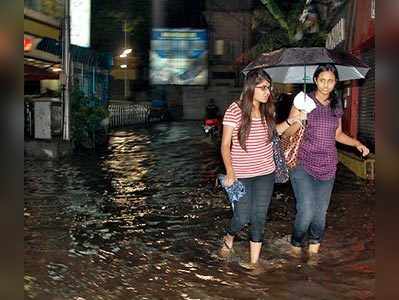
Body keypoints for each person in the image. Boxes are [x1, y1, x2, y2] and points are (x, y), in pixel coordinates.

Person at [285, 64, 370, 262]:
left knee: (319, 214)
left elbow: (338, 134)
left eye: (330, 81)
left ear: (335, 83)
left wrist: (357, 143)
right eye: (322, 80)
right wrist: (298, 120)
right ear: (315, 80)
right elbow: (287, 133)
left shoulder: (336, 104)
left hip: (328, 166)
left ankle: (313, 256)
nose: (325, 85)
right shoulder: (303, 100)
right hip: (303, 163)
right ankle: (296, 244)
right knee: (306, 211)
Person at [217, 68, 301, 269]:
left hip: (266, 172)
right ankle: (229, 235)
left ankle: (254, 263)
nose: (268, 92)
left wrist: (292, 120)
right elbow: (225, 144)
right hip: (242, 174)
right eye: (263, 88)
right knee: (242, 217)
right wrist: (230, 171)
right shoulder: (235, 109)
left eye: (269, 88)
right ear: (251, 88)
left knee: (259, 217)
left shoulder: (268, 110)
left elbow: (274, 135)